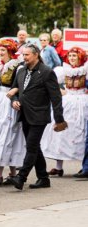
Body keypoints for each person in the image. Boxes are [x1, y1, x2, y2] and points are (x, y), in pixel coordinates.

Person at [7, 44, 67, 190]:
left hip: (39, 115)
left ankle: (21, 178)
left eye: (27, 55)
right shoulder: (21, 71)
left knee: (31, 146)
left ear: (36, 55)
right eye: (23, 55)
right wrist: (14, 100)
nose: (24, 57)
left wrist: (59, 119)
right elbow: (14, 90)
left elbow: (56, 97)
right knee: (34, 146)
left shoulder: (46, 72)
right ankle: (43, 178)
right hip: (24, 115)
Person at [41, 47, 87, 177]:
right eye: (70, 56)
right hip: (67, 102)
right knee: (60, 132)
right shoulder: (63, 70)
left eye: (75, 56)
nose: (72, 58)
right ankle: (58, 167)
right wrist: (61, 92)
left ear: (80, 57)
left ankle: (83, 166)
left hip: (82, 103)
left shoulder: (85, 70)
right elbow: (51, 82)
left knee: (80, 133)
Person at [0, 39, 25, 185]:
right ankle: (13, 172)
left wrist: (16, 98)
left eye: (4, 50)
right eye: (0, 50)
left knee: (7, 135)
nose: (1, 53)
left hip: (9, 101)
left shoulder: (18, 67)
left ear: (11, 51)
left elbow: (20, 86)